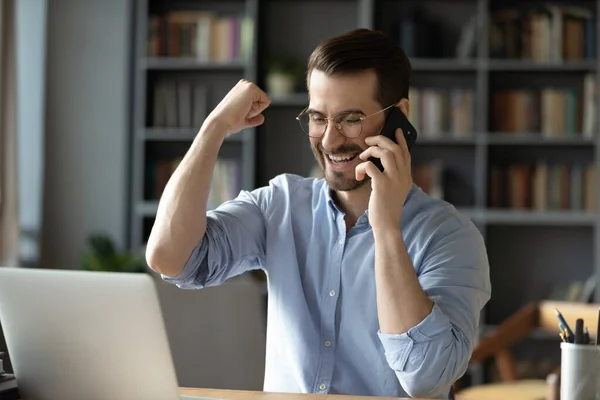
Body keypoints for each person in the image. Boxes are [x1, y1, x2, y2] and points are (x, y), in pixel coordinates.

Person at [146, 28, 491, 399]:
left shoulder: (450, 236)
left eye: (351, 118)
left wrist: (387, 227)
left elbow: (425, 377)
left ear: (399, 117)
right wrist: (214, 128)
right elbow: (171, 258)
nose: (329, 140)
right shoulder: (280, 204)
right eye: (318, 118)